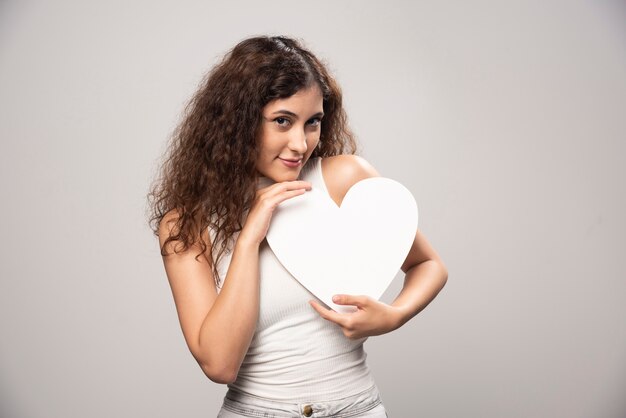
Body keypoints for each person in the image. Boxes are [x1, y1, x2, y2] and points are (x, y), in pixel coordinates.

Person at [147, 35, 448, 417]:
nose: (300, 143)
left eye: (312, 123)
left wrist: (394, 315)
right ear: (236, 123)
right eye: (282, 121)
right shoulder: (188, 225)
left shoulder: (343, 180)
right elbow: (219, 364)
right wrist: (249, 239)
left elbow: (429, 265)